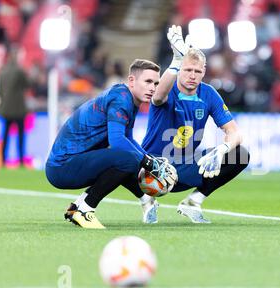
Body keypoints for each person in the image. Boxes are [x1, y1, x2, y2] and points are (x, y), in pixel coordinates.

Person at [45, 59, 178, 229]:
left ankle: (79, 206)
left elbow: (127, 139)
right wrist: (149, 163)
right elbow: (117, 142)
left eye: (156, 83)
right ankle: (85, 209)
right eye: (148, 81)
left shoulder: (126, 98)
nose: (153, 88)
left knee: (126, 159)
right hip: (63, 167)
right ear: (131, 81)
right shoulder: (121, 99)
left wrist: (149, 160)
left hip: (69, 162)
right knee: (126, 160)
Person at [140, 25, 250, 224]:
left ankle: (193, 201)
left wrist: (222, 149)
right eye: (187, 69)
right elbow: (157, 97)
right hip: (151, 168)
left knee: (240, 153)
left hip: (183, 168)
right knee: (118, 156)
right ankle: (141, 200)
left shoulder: (208, 94)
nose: (192, 75)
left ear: (204, 72)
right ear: (179, 70)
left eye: (197, 71)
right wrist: (175, 60)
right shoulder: (168, 88)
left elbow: (234, 132)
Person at [0, 47, 30, 167]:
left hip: (6, 109)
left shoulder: (3, 71)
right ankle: (21, 160)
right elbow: (28, 84)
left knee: (5, 134)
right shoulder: (19, 71)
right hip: (18, 109)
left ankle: (3, 160)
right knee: (20, 135)